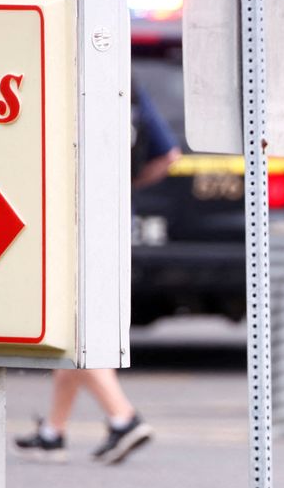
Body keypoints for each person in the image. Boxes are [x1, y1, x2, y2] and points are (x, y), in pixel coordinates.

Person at [14, 82, 181, 465]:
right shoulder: (131, 87)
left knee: (74, 327)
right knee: (80, 322)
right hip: (118, 219)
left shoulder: (68, 79)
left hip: (75, 220)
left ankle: (123, 417)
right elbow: (169, 154)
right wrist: (129, 184)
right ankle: (52, 432)